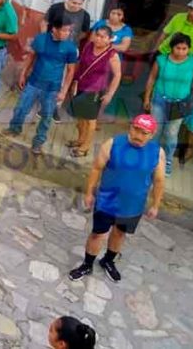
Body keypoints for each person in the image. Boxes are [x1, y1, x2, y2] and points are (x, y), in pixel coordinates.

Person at [68, 114, 165, 283]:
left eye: (144, 133)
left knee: (120, 234)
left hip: (133, 205)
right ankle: (87, 264)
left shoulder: (158, 153)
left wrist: (155, 204)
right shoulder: (112, 144)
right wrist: (89, 193)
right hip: (107, 200)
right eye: (136, 129)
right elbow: (97, 168)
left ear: (152, 134)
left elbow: (159, 180)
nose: (138, 135)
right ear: (130, 127)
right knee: (98, 234)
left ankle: (108, 261)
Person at [4, 17, 79, 155]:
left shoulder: (70, 48)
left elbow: (70, 72)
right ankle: (14, 128)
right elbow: (31, 57)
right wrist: (23, 74)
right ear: (54, 29)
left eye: (69, 30)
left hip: (52, 88)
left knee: (46, 116)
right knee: (20, 108)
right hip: (33, 82)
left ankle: (38, 142)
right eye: (64, 30)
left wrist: (63, 91)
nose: (67, 33)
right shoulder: (40, 39)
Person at [143, 33, 193, 175]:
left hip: (179, 104)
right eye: (178, 48)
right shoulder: (161, 60)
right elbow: (151, 78)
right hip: (159, 100)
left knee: (171, 134)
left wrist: (187, 89)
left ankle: (167, 161)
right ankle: (151, 158)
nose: (181, 51)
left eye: (184, 48)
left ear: (189, 49)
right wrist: (146, 98)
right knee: (155, 131)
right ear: (171, 47)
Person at [67, 26, 121, 158]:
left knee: (91, 120)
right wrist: (74, 81)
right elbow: (80, 64)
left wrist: (110, 94)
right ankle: (80, 140)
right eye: (97, 35)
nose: (99, 39)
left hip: (95, 90)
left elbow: (117, 75)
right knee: (80, 116)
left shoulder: (112, 55)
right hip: (80, 85)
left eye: (103, 37)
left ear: (109, 39)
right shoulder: (88, 46)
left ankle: (85, 147)